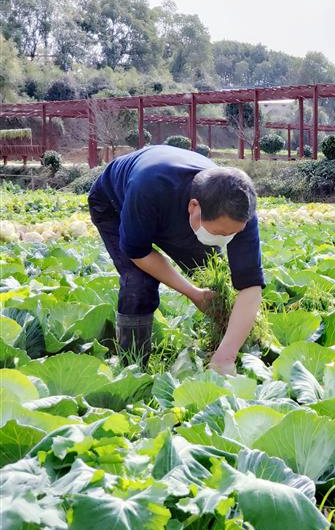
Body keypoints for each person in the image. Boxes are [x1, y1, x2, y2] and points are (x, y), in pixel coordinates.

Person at [88, 145, 264, 374]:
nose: (226, 239)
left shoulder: (240, 211)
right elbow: (138, 253)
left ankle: (222, 347)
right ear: (194, 208)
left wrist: (226, 357)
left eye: (231, 234)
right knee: (139, 281)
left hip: (174, 208)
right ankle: (132, 366)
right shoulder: (149, 188)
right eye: (220, 233)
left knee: (212, 274)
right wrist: (193, 292)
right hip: (115, 204)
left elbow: (250, 285)